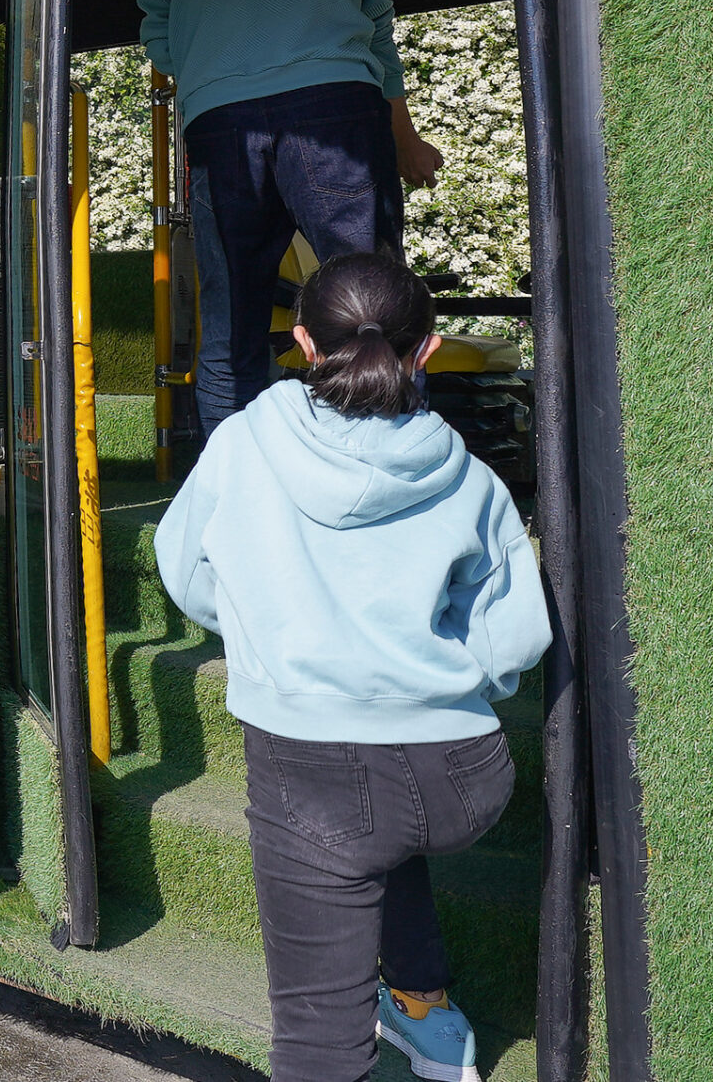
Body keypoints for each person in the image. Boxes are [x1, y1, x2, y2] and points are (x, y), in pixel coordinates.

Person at [153, 251, 549, 1082]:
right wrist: (430, 675)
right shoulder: (470, 477)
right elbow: (513, 639)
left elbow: (187, 573)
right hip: (463, 776)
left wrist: (274, 631)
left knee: (316, 1045)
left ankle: (409, 1014)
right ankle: (424, 1011)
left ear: (301, 340)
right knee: (377, 833)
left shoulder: (240, 444)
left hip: (316, 783)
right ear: (428, 350)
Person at [137, 0, 445, 433]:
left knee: (231, 316)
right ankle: (388, 465)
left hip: (222, 127)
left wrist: (210, 71)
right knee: (371, 300)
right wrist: (405, 138)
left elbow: (156, 34)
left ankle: (233, 495)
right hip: (337, 109)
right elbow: (378, 36)